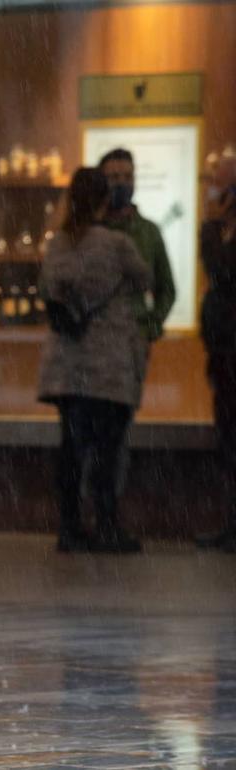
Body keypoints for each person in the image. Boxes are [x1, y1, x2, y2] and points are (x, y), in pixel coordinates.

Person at [38, 168, 151, 554]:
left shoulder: (56, 244)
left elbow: (49, 288)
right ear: (106, 200)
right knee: (106, 448)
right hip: (108, 363)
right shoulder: (117, 244)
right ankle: (107, 524)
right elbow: (145, 278)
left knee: (71, 447)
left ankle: (69, 527)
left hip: (67, 364)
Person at [197, 156, 236, 551]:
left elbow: (222, 271)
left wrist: (210, 225)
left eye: (219, 183)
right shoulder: (217, 231)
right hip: (224, 353)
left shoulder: (216, 233)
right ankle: (231, 522)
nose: (211, 188)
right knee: (228, 440)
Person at [99, 148, 176, 342]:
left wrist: (151, 326)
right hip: (95, 337)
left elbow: (166, 287)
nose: (122, 183)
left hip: (134, 335)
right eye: (114, 177)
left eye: (128, 176)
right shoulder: (89, 230)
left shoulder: (149, 231)